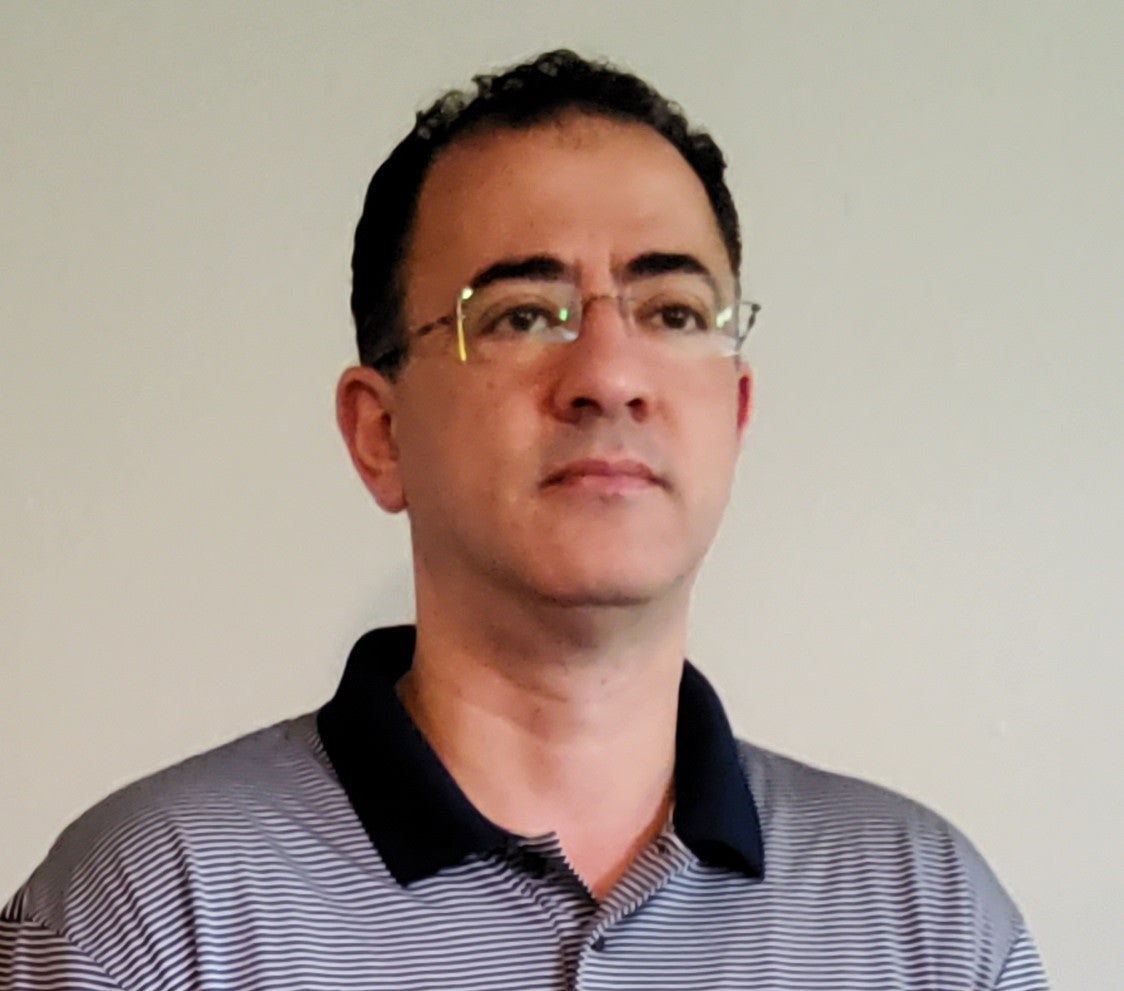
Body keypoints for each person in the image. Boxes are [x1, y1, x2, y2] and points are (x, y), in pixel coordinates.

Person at [1, 50, 1048, 990]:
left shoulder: (933, 925)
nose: (609, 374)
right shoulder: (144, 919)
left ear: (734, 416)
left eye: (673, 312)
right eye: (520, 315)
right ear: (380, 433)